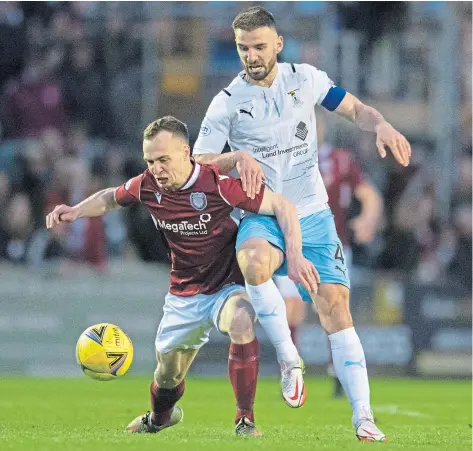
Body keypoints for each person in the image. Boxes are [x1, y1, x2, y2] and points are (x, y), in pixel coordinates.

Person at [193, 6, 411, 442]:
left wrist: (381, 124)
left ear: (277, 44)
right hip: (263, 212)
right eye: (242, 48)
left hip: (313, 214)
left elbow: (355, 109)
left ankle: (363, 418)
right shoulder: (228, 102)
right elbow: (197, 162)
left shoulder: (306, 79)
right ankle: (290, 357)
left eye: (258, 46)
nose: (251, 56)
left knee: (335, 308)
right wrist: (235, 157)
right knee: (253, 262)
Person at [46, 116, 318, 437]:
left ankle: (244, 419)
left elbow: (282, 205)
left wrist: (296, 254)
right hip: (183, 295)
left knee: (241, 321)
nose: (157, 169)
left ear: (186, 153)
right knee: (167, 376)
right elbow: (110, 197)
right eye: (150, 161)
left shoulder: (216, 184)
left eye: (163, 160)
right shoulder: (147, 184)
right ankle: (160, 418)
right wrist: (76, 210)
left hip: (227, 286)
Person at [274, 113, 384, 398]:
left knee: (333, 308)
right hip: (294, 245)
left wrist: (368, 220)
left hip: (333, 246)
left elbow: (369, 195)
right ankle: (292, 370)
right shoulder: (285, 159)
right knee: (292, 306)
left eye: (314, 123)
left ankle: (339, 371)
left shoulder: (342, 159)